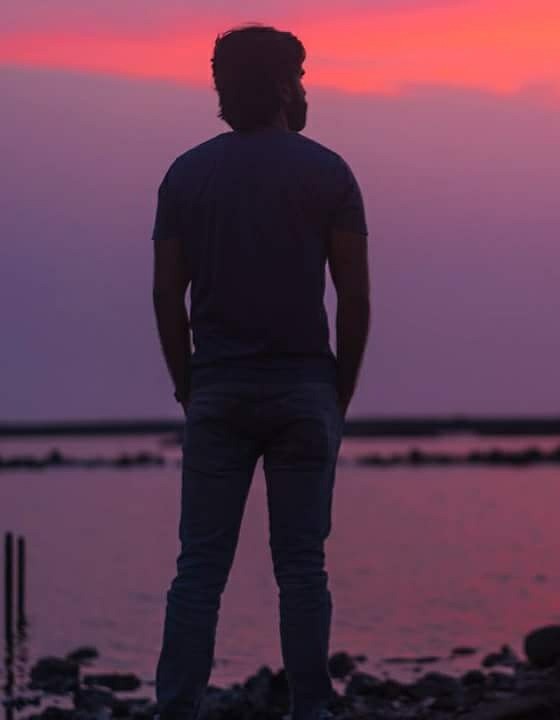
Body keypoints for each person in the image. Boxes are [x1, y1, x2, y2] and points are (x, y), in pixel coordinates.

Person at [150, 23, 371, 720]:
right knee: (302, 567)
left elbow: (167, 293)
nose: (305, 89)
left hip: (217, 388)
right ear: (280, 85)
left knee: (198, 569)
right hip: (304, 388)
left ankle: (176, 707)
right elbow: (354, 297)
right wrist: (339, 392)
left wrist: (187, 383)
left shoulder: (186, 174)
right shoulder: (328, 171)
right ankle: (311, 708)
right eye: (299, 77)